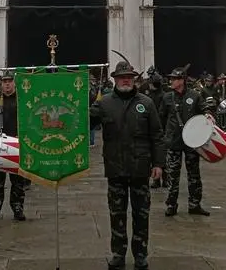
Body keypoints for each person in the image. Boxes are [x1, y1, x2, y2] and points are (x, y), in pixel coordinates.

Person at [91, 60, 164, 270]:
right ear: (114, 79)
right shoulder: (104, 103)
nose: (126, 80)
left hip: (140, 168)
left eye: (129, 77)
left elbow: (157, 136)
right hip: (115, 168)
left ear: (134, 80)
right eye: (122, 77)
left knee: (141, 214)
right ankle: (118, 253)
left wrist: (158, 163)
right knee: (117, 214)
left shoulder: (146, 103)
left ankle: (140, 253)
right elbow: (85, 121)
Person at [159, 66, 213, 217]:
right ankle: (171, 204)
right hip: (173, 141)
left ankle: (194, 204)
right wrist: (162, 137)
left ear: (182, 80)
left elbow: (204, 109)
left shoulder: (194, 95)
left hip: (191, 142)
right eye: (171, 79)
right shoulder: (167, 97)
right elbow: (161, 118)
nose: (171, 81)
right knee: (172, 176)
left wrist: (208, 114)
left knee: (194, 174)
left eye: (174, 79)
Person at [0, 71, 28, 222]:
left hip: (16, 143)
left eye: (10, 81)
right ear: (1, 84)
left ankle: (17, 208)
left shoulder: (23, 101)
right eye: (4, 81)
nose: (7, 84)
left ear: (15, 83)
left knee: (18, 180)